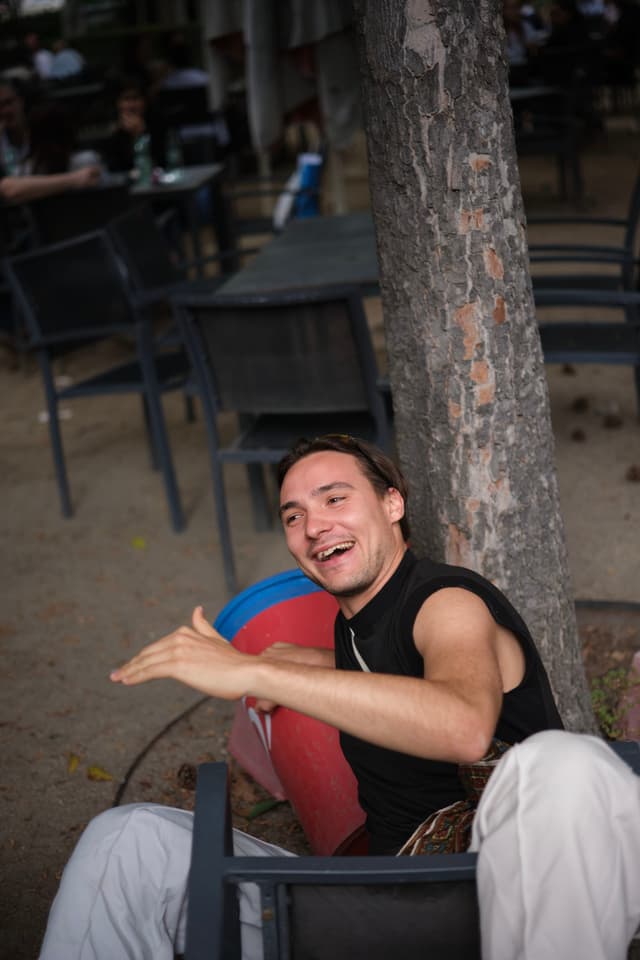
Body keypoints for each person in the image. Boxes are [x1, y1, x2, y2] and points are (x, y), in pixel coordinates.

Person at [38, 436, 640, 960]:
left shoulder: (447, 602)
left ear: (392, 504)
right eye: (294, 515)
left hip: (496, 898)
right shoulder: (354, 626)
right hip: (376, 907)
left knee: (566, 762)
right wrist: (294, 663)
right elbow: (397, 675)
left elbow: (462, 726)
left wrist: (259, 675)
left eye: (334, 499)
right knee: (127, 838)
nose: (314, 525)